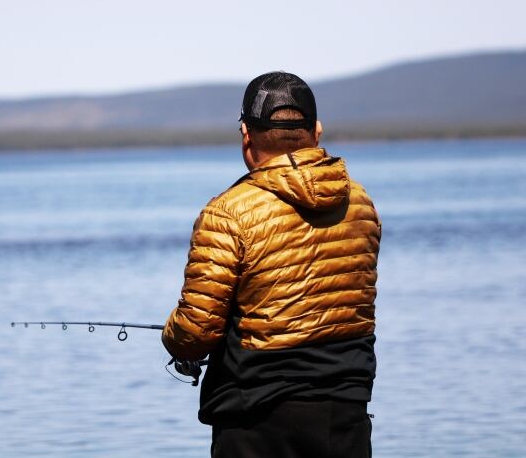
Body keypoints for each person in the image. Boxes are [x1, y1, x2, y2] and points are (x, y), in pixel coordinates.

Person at [162, 71, 381, 458]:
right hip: (345, 413)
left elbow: (196, 331)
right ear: (317, 131)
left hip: (254, 418)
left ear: (246, 134)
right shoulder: (359, 202)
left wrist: (173, 338)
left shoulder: (228, 212)